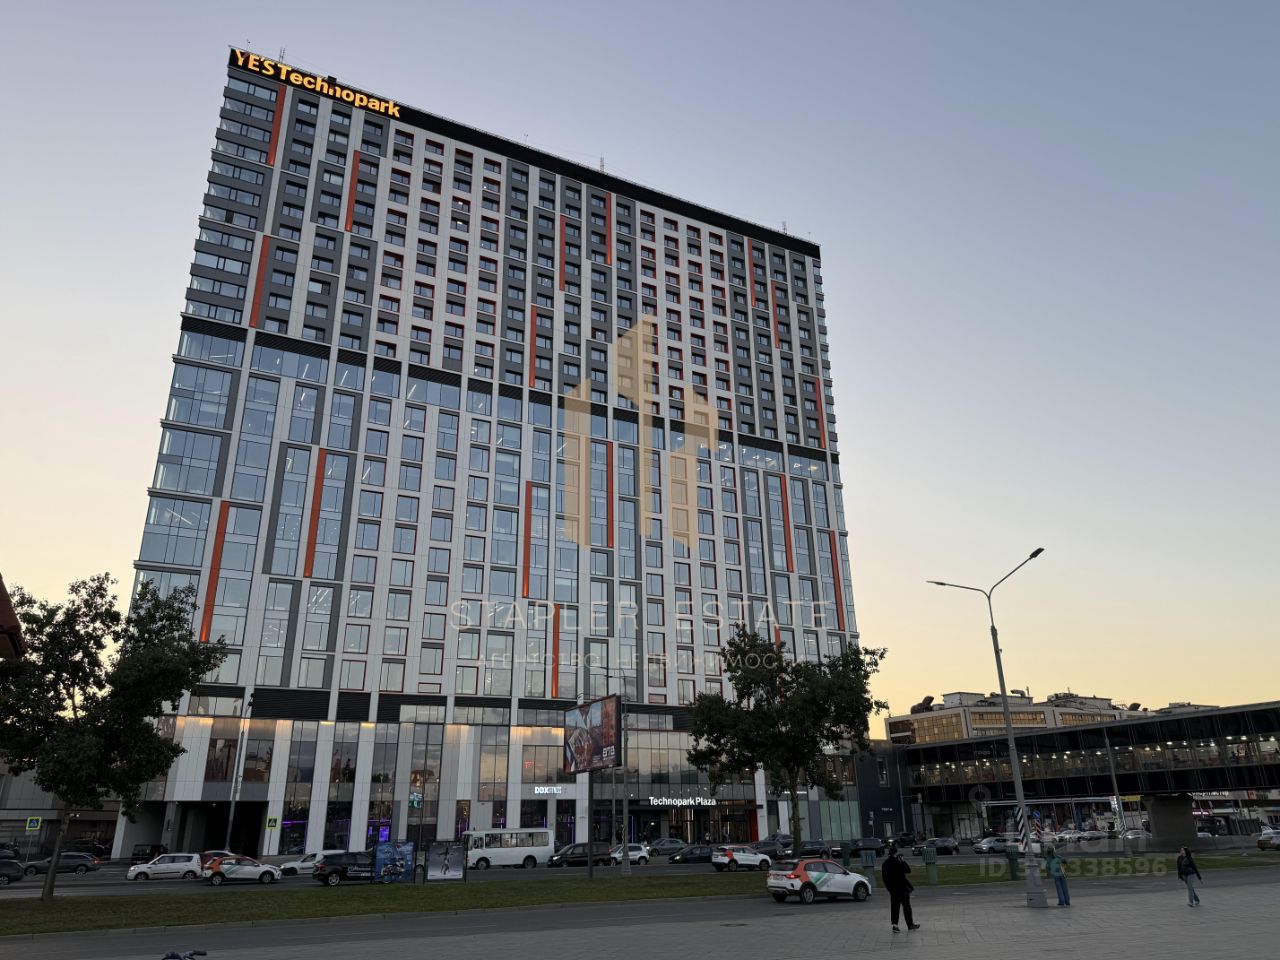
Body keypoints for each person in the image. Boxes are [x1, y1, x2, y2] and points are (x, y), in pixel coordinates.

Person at [882, 845, 921, 933]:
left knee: (895, 907)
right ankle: (910, 924)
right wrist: (903, 861)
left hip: (893, 889)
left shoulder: (885, 863)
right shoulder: (898, 862)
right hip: (902, 888)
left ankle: (895, 925)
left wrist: (889, 888)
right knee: (906, 907)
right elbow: (908, 870)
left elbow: (884, 878)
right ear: (896, 853)